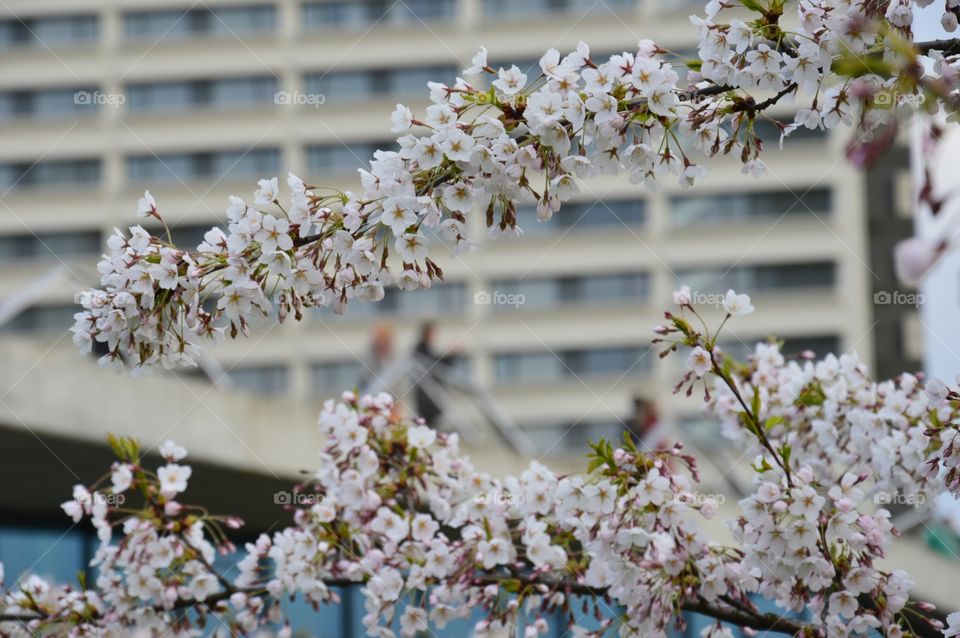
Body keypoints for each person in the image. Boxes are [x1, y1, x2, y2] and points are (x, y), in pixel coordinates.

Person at [412, 322, 448, 428]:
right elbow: (434, 364)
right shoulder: (420, 349)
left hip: (429, 398)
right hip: (426, 399)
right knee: (428, 425)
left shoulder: (425, 348)